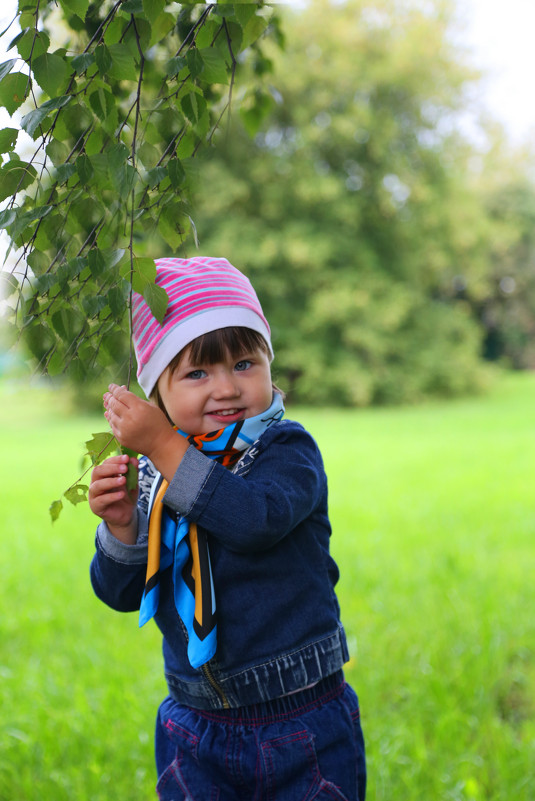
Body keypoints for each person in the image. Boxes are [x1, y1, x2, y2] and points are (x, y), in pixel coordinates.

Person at [89, 256, 366, 800]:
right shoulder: (155, 472)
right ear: (158, 394)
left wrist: (166, 447)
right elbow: (121, 593)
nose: (226, 388)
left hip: (302, 715)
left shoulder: (286, 450)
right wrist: (124, 528)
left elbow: (252, 519)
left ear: (268, 363)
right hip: (194, 726)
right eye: (196, 373)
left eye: (244, 364)